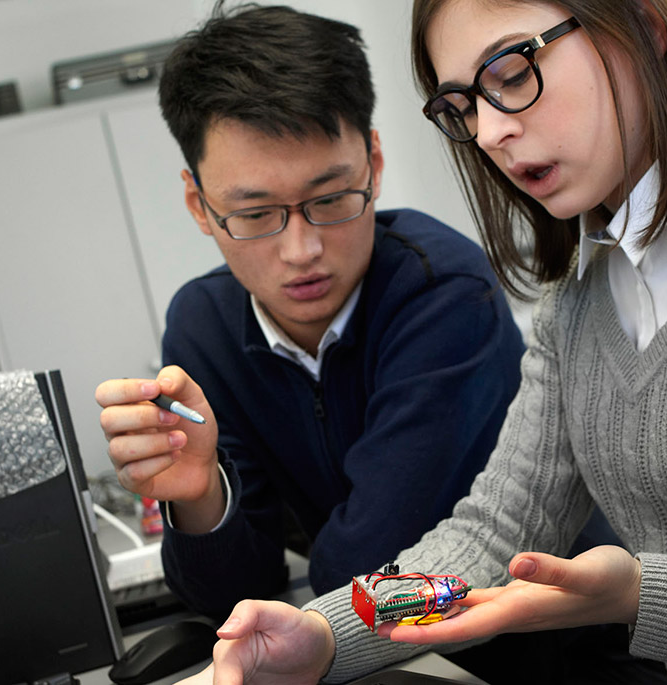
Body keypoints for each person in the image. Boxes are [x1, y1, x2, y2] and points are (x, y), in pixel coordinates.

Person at [200, 0, 667, 683]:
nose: (488, 132)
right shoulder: (581, 295)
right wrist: (324, 635)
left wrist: (646, 595)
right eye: (464, 106)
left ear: (643, 26)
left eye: (511, 73)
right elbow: (489, 536)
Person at [94, 3, 533, 621]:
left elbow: (371, 569)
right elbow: (232, 598)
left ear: (374, 165)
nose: (302, 251)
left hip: (541, 650)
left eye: (330, 199)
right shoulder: (205, 325)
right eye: (254, 215)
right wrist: (200, 496)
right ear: (199, 204)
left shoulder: (445, 293)